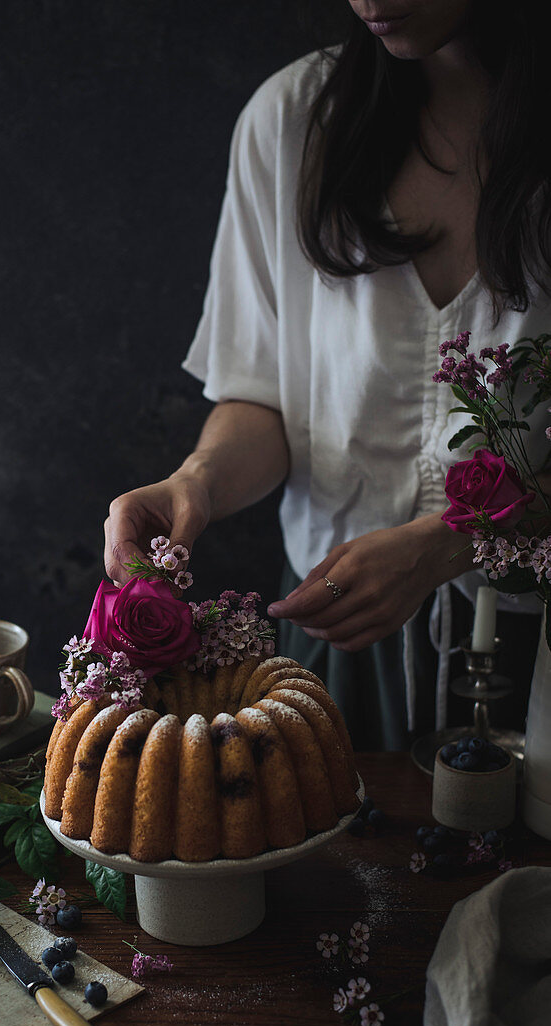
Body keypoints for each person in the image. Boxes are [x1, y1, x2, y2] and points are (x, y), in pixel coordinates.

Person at [103, 0, 548, 749]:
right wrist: (198, 481)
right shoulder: (290, 122)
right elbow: (269, 401)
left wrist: (449, 544)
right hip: (334, 635)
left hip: (535, 656)